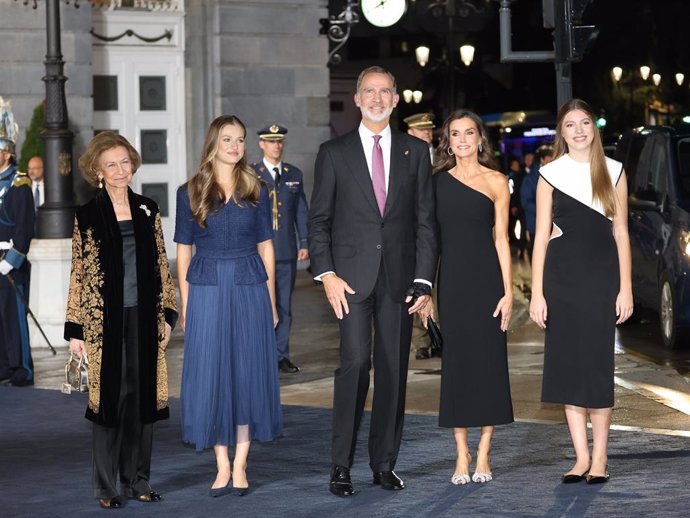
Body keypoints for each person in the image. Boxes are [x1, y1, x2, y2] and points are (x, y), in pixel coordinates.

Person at [309, 66, 437, 497]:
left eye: (385, 91)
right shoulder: (333, 152)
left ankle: (384, 464)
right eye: (369, 91)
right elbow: (319, 221)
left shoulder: (415, 153)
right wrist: (325, 274)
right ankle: (340, 466)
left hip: (400, 281)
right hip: (348, 280)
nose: (377, 98)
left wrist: (423, 281)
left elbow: (425, 222)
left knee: (393, 370)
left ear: (397, 99)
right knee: (355, 365)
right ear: (358, 99)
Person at [64, 132, 178, 509]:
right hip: (103, 323)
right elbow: (79, 273)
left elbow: (162, 264)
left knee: (141, 400)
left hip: (144, 319)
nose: (120, 170)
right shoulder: (88, 215)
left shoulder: (148, 209)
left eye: (125, 162)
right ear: (98, 170)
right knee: (109, 402)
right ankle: (105, 486)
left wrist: (167, 315)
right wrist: (76, 329)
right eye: (111, 164)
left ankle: (137, 480)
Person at [175, 115, 282, 498]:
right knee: (212, 374)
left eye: (240, 140)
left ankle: (241, 465)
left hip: (249, 284)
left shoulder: (257, 187)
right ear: (213, 144)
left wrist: (271, 301)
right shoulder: (189, 191)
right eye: (227, 139)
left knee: (247, 373)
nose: (235, 146)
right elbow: (183, 251)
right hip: (205, 289)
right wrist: (185, 306)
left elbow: (266, 247)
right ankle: (221, 464)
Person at [529, 99, 633, 485]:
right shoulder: (548, 175)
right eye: (570, 124)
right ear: (562, 132)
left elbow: (621, 233)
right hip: (561, 281)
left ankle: (601, 457)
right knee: (569, 369)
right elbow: (540, 238)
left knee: (596, 367)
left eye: (584, 122)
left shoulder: (614, 171)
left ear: (594, 128)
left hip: (601, 279)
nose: (578, 130)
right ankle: (580, 458)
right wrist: (537, 294)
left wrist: (626, 288)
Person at [421, 110, 513, 486]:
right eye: (454, 134)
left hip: (488, 282)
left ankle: (485, 452)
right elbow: (428, 241)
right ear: (448, 141)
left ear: (479, 139)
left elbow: (502, 239)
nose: (461, 140)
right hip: (453, 282)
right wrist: (425, 289)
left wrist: (509, 293)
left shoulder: (497, 181)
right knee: (457, 367)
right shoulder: (436, 183)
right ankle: (461, 453)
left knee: (489, 364)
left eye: (468, 133)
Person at [250, 124, 308, 374]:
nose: (276, 145)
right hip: (258, 252)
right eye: (271, 141)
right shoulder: (251, 174)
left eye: (279, 141)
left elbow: (302, 211)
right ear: (261, 144)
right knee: (261, 304)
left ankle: (281, 355)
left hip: (284, 250)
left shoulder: (293, 173)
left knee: (284, 304)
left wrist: (304, 242)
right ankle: (260, 354)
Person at [0, 98, 36, 387]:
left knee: (15, 317)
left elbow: (24, 228)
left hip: (11, 261)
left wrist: (11, 260)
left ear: (7, 153)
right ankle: (3, 366)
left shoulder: (19, 184)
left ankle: (22, 368)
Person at [404, 112, 439, 360]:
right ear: (410, 133)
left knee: (438, 284)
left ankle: (439, 335)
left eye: (429, 129)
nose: (427, 133)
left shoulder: (443, 156)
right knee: (419, 283)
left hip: (441, 227)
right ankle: (422, 341)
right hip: (416, 230)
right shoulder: (404, 158)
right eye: (422, 130)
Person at [520, 145, 553, 261]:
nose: (551, 163)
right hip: (536, 224)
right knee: (539, 256)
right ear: (542, 160)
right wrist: (546, 211)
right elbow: (525, 202)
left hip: (556, 226)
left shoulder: (558, 175)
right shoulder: (531, 178)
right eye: (549, 160)